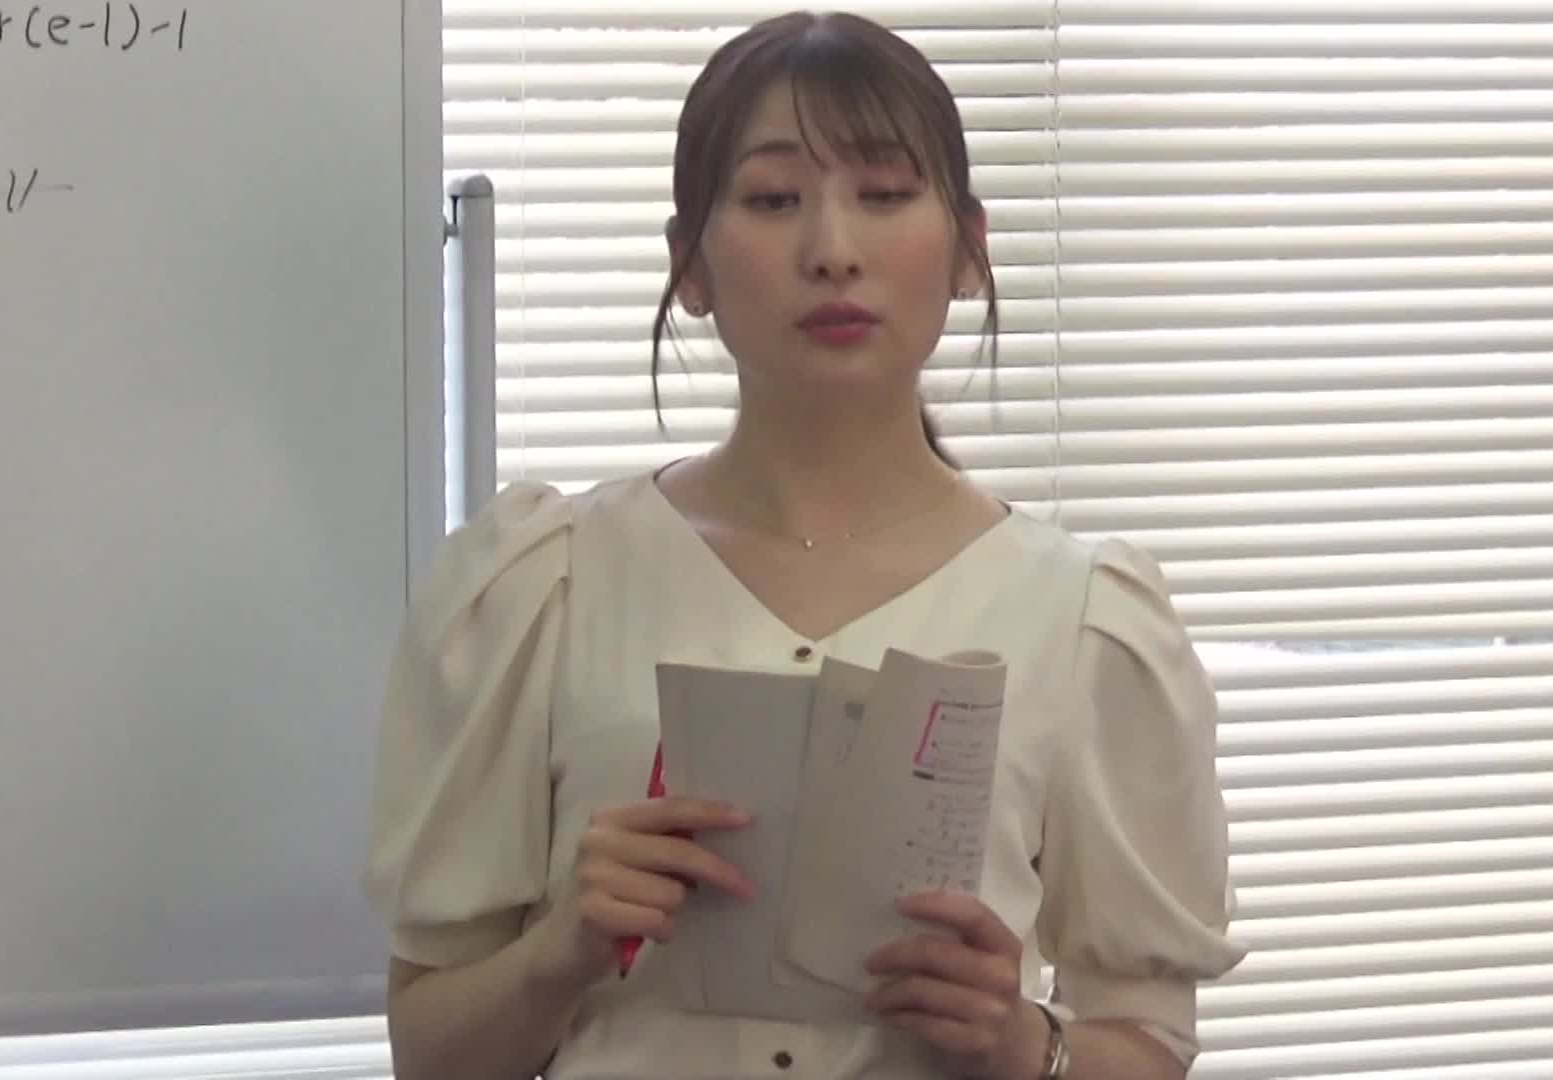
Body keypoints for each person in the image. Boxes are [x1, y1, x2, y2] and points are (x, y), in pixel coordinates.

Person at [362, 10, 1245, 1079]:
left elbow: (1149, 1037)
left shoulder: (1085, 617)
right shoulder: (545, 583)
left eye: (886, 194)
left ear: (969, 251)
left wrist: (1023, 1044)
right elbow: (430, 1053)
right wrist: (564, 948)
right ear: (690, 266)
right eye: (774, 200)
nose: (832, 251)